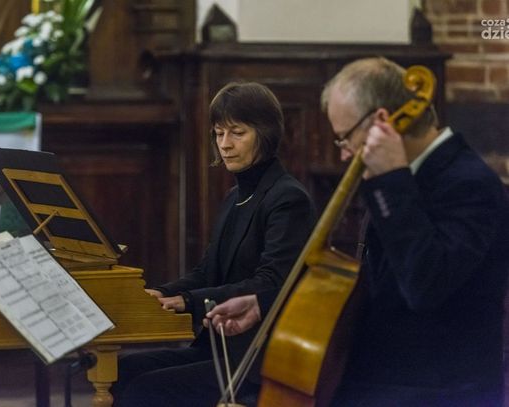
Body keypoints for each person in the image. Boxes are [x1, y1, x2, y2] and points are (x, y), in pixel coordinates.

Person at [205, 57, 509, 407]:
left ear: (380, 121)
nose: (346, 154)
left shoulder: (468, 183)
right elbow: (371, 289)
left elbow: (426, 285)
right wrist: (266, 304)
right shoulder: (401, 178)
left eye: (344, 138)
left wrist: (391, 180)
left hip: (436, 391)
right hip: (380, 380)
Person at [113, 81, 317, 407]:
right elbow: (207, 271)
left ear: (265, 134)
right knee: (122, 371)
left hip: (258, 358)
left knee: (146, 389)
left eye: (237, 133)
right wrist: (161, 294)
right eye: (219, 133)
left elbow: (271, 283)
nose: (225, 144)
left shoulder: (288, 198)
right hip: (218, 346)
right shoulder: (235, 196)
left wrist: (188, 301)